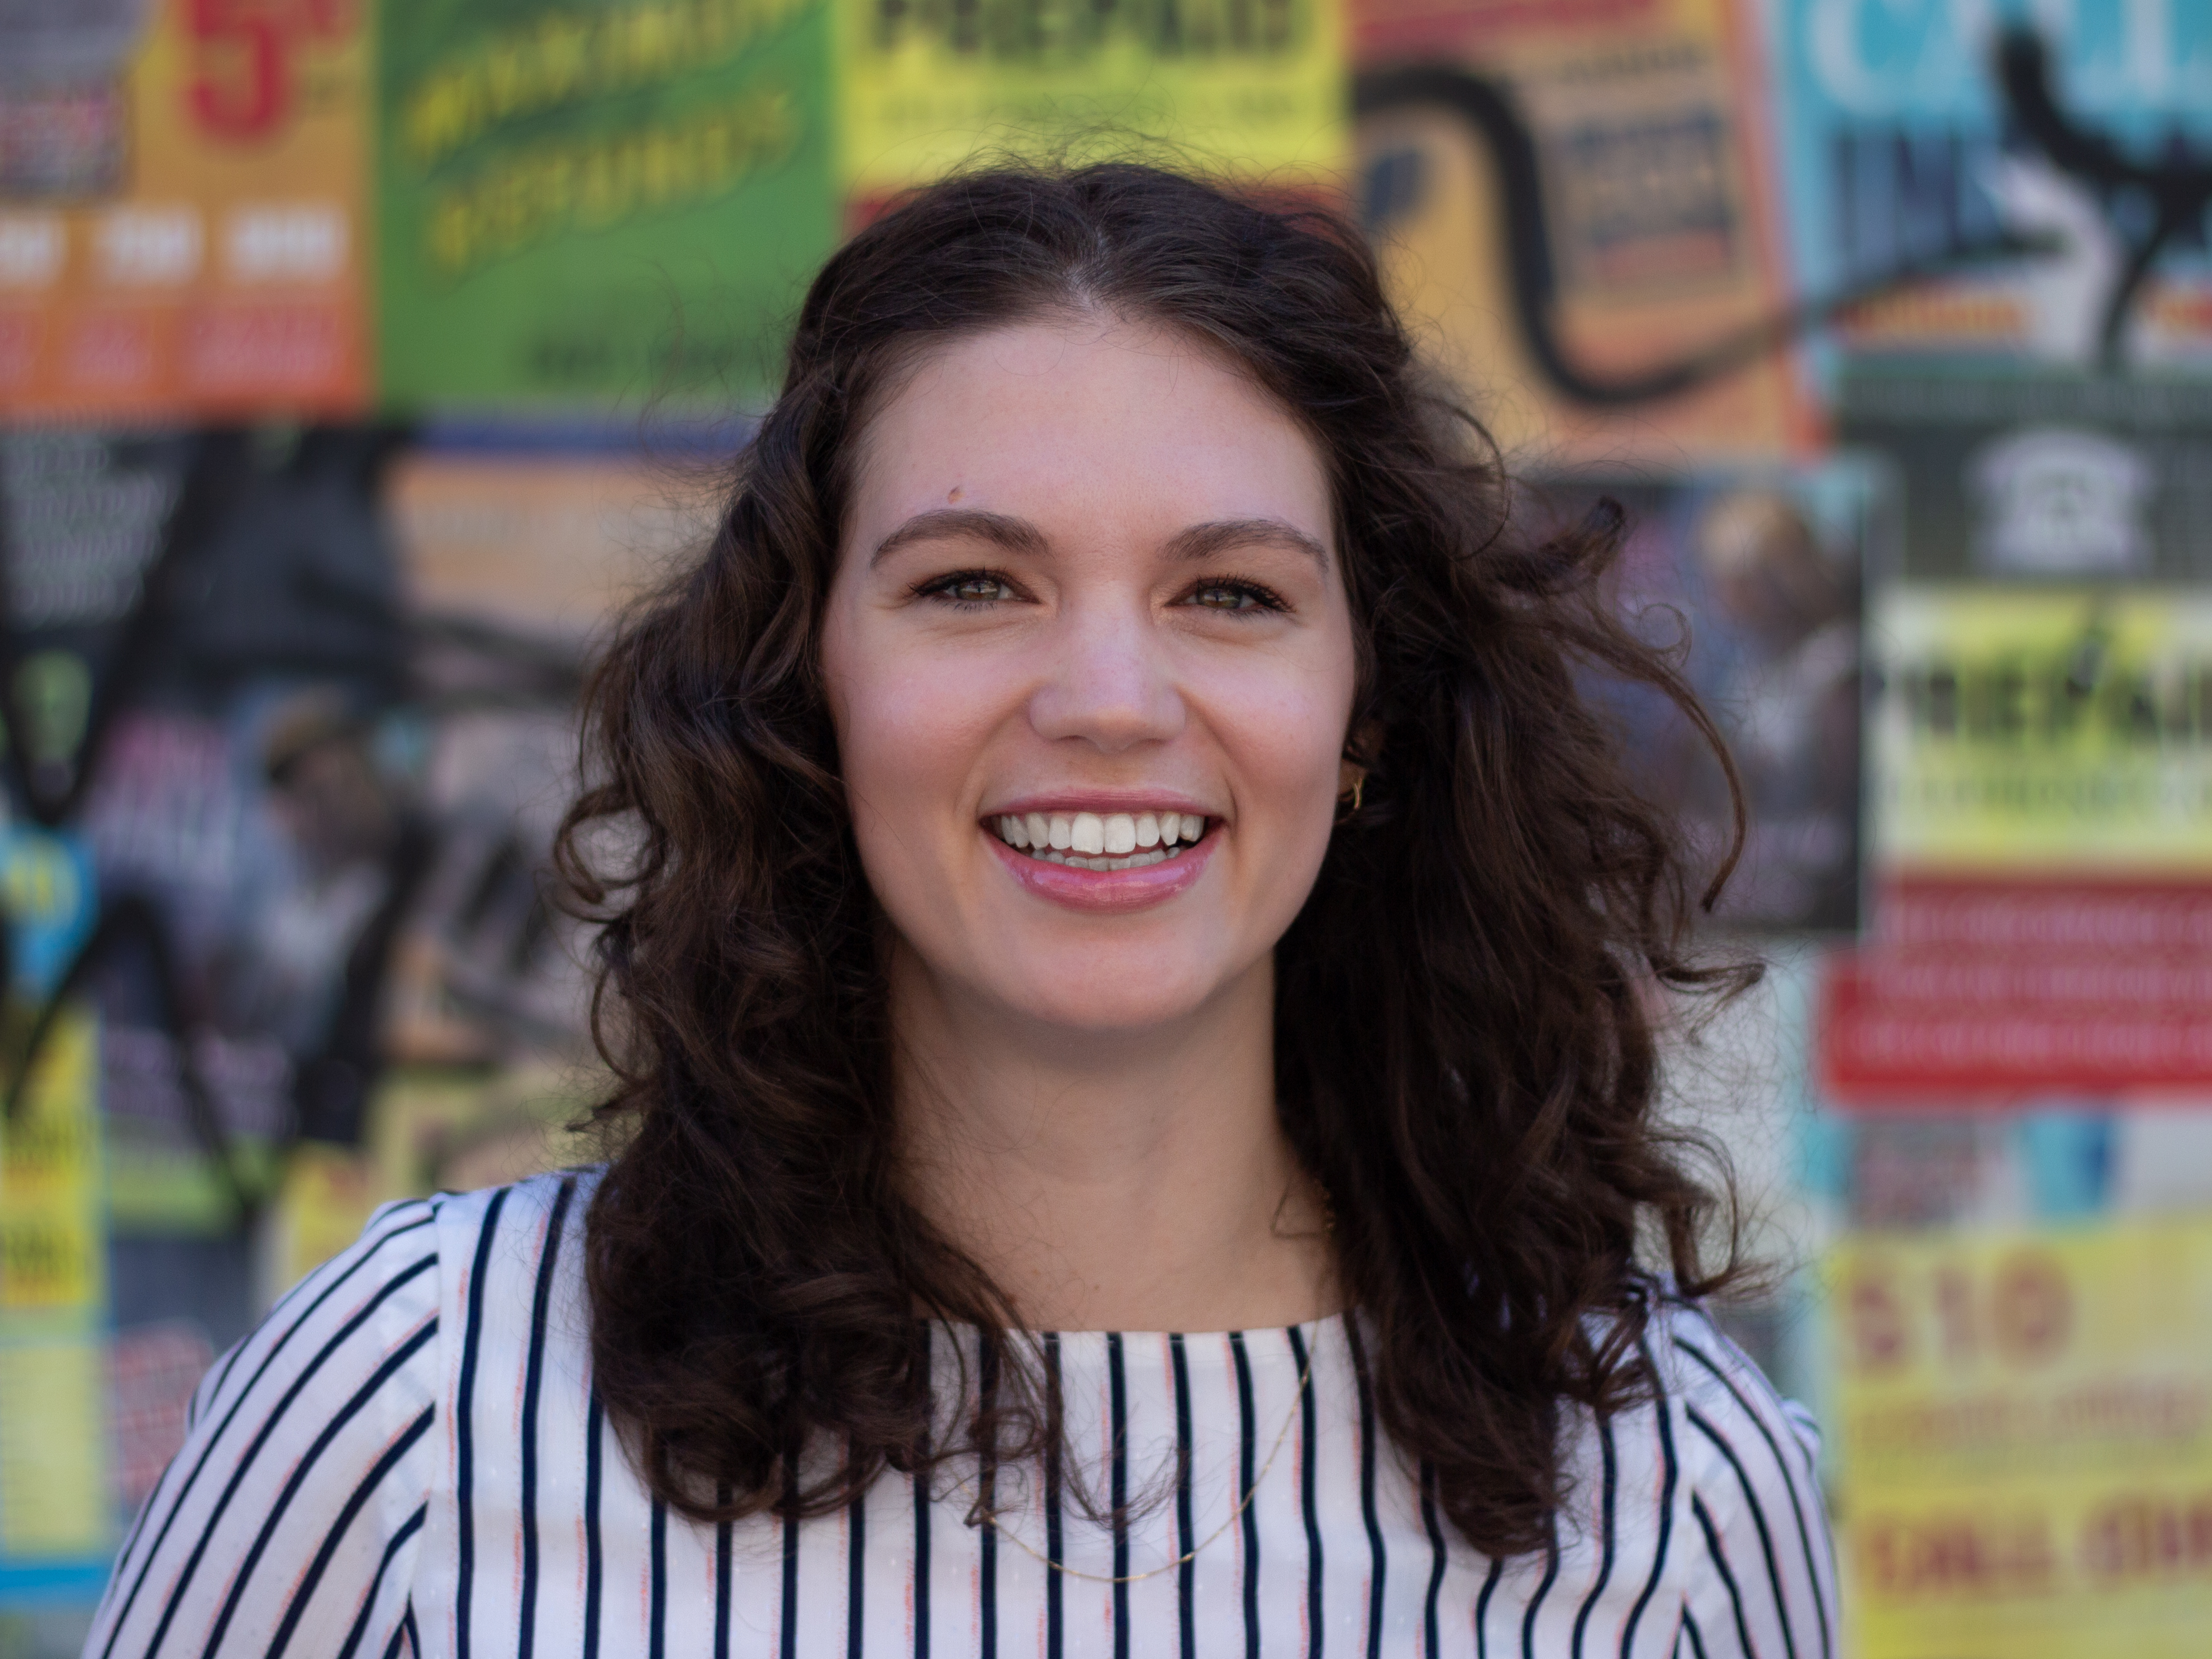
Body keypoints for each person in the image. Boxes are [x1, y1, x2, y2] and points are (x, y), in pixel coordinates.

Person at [88, 163, 1837, 1658]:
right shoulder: (415, 1400)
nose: (1106, 694)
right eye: (974, 583)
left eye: (1230, 592)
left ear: (1368, 713)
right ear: (808, 687)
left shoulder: (1665, 1484)